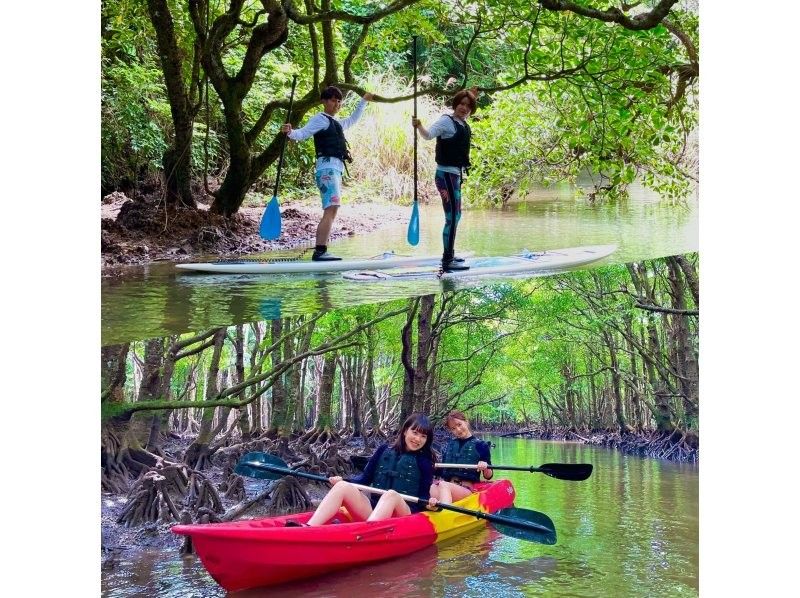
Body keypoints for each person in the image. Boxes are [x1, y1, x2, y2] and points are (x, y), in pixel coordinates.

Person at [292, 413, 439, 527]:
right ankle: (309, 527)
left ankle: (365, 534)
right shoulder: (383, 450)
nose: (418, 439)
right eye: (415, 432)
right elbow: (364, 480)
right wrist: (343, 481)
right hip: (375, 511)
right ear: (406, 431)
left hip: (405, 515)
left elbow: (423, 497)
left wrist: (430, 505)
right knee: (342, 486)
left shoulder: (425, 462)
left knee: (391, 495)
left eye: (423, 436)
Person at [281, 86, 374, 261]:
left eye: (339, 101)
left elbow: (353, 120)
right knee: (330, 209)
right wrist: (290, 132)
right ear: (324, 101)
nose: (337, 104)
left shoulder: (336, 123)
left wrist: (364, 101)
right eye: (333, 100)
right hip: (327, 169)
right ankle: (320, 251)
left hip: (334, 170)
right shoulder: (320, 119)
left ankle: (321, 250)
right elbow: (303, 133)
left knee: (332, 209)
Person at [412, 88, 478, 272]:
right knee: (452, 217)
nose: (464, 108)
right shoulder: (446, 121)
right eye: (461, 104)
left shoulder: (463, 123)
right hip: (445, 175)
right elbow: (428, 135)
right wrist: (419, 126)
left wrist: (472, 95)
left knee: (456, 216)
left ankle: (449, 255)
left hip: (455, 175)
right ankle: (447, 259)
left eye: (468, 105)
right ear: (455, 104)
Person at [430, 410, 493, 504]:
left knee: (443, 485)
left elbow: (488, 476)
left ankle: (445, 513)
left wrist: (485, 466)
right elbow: (441, 471)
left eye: (459, 424)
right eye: (453, 428)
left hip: (466, 490)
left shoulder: (481, 445)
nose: (458, 430)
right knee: (429, 486)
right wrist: (431, 467)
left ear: (466, 422)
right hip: (447, 487)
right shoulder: (449, 445)